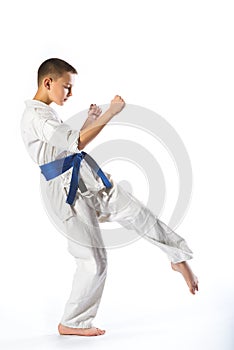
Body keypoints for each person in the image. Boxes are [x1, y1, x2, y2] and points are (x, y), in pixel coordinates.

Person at [21, 58, 199, 337]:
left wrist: (91, 120)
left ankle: (176, 256)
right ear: (48, 82)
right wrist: (110, 115)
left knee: (135, 211)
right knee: (94, 259)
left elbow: (68, 141)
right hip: (64, 191)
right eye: (66, 87)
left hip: (84, 178)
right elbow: (76, 142)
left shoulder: (45, 112)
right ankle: (72, 321)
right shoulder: (35, 116)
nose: (70, 93)